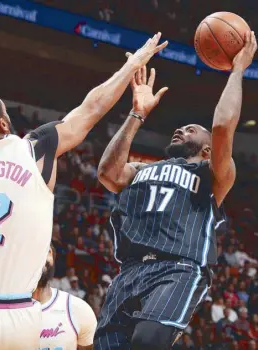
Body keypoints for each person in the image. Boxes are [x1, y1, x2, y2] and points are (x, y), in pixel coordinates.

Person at [0, 33, 168, 349]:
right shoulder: (35, 150)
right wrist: (132, 65)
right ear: (5, 124)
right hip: (21, 314)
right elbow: (91, 108)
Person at [94, 31, 257, 350]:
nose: (181, 129)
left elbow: (223, 127)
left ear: (208, 150)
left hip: (178, 268)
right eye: (180, 128)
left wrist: (238, 70)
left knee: (147, 341)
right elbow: (108, 174)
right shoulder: (144, 169)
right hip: (129, 271)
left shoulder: (212, 174)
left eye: (192, 130)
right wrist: (137, 113)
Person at [33, 243, 97, 350]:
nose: (41, 257)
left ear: (52, 257)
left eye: (47, 251)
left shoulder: (79, 309)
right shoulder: (3, 311)